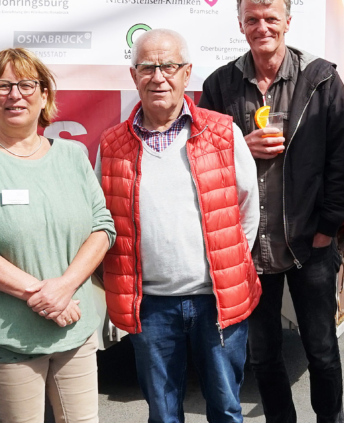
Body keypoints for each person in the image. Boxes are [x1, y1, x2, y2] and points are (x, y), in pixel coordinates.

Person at [199, 0, 344, 420]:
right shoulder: (220, 85)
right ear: (240, 25)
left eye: (271, 18)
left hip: (310, 242)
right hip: (248, 246)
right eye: (252, 19)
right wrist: (241, 147)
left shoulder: (320, 78)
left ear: (288, 22)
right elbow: (201, 160)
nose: (262, 27)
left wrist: (327, 228)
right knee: (264, 354)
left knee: (321, 350)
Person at [0, 48, 113, 423]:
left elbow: (102, 227)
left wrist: (64, 288)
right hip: (8, 337)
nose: (15, 95)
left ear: (44, 95)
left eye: (26, 85)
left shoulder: (72, 154)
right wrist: (44, 294)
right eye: (3, 86)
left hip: (75, 327)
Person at [98, 29, 260, 423]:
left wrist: (229, 266)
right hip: (150, 304)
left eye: (168, 66)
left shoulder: (223, 132)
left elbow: (248, 208)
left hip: (216, 300)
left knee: (226, 409)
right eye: (147, 67)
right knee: (164, 414)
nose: (158, 77)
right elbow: (101, 218)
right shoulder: (112, 144)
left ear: (187, 73)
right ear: (134, 75)